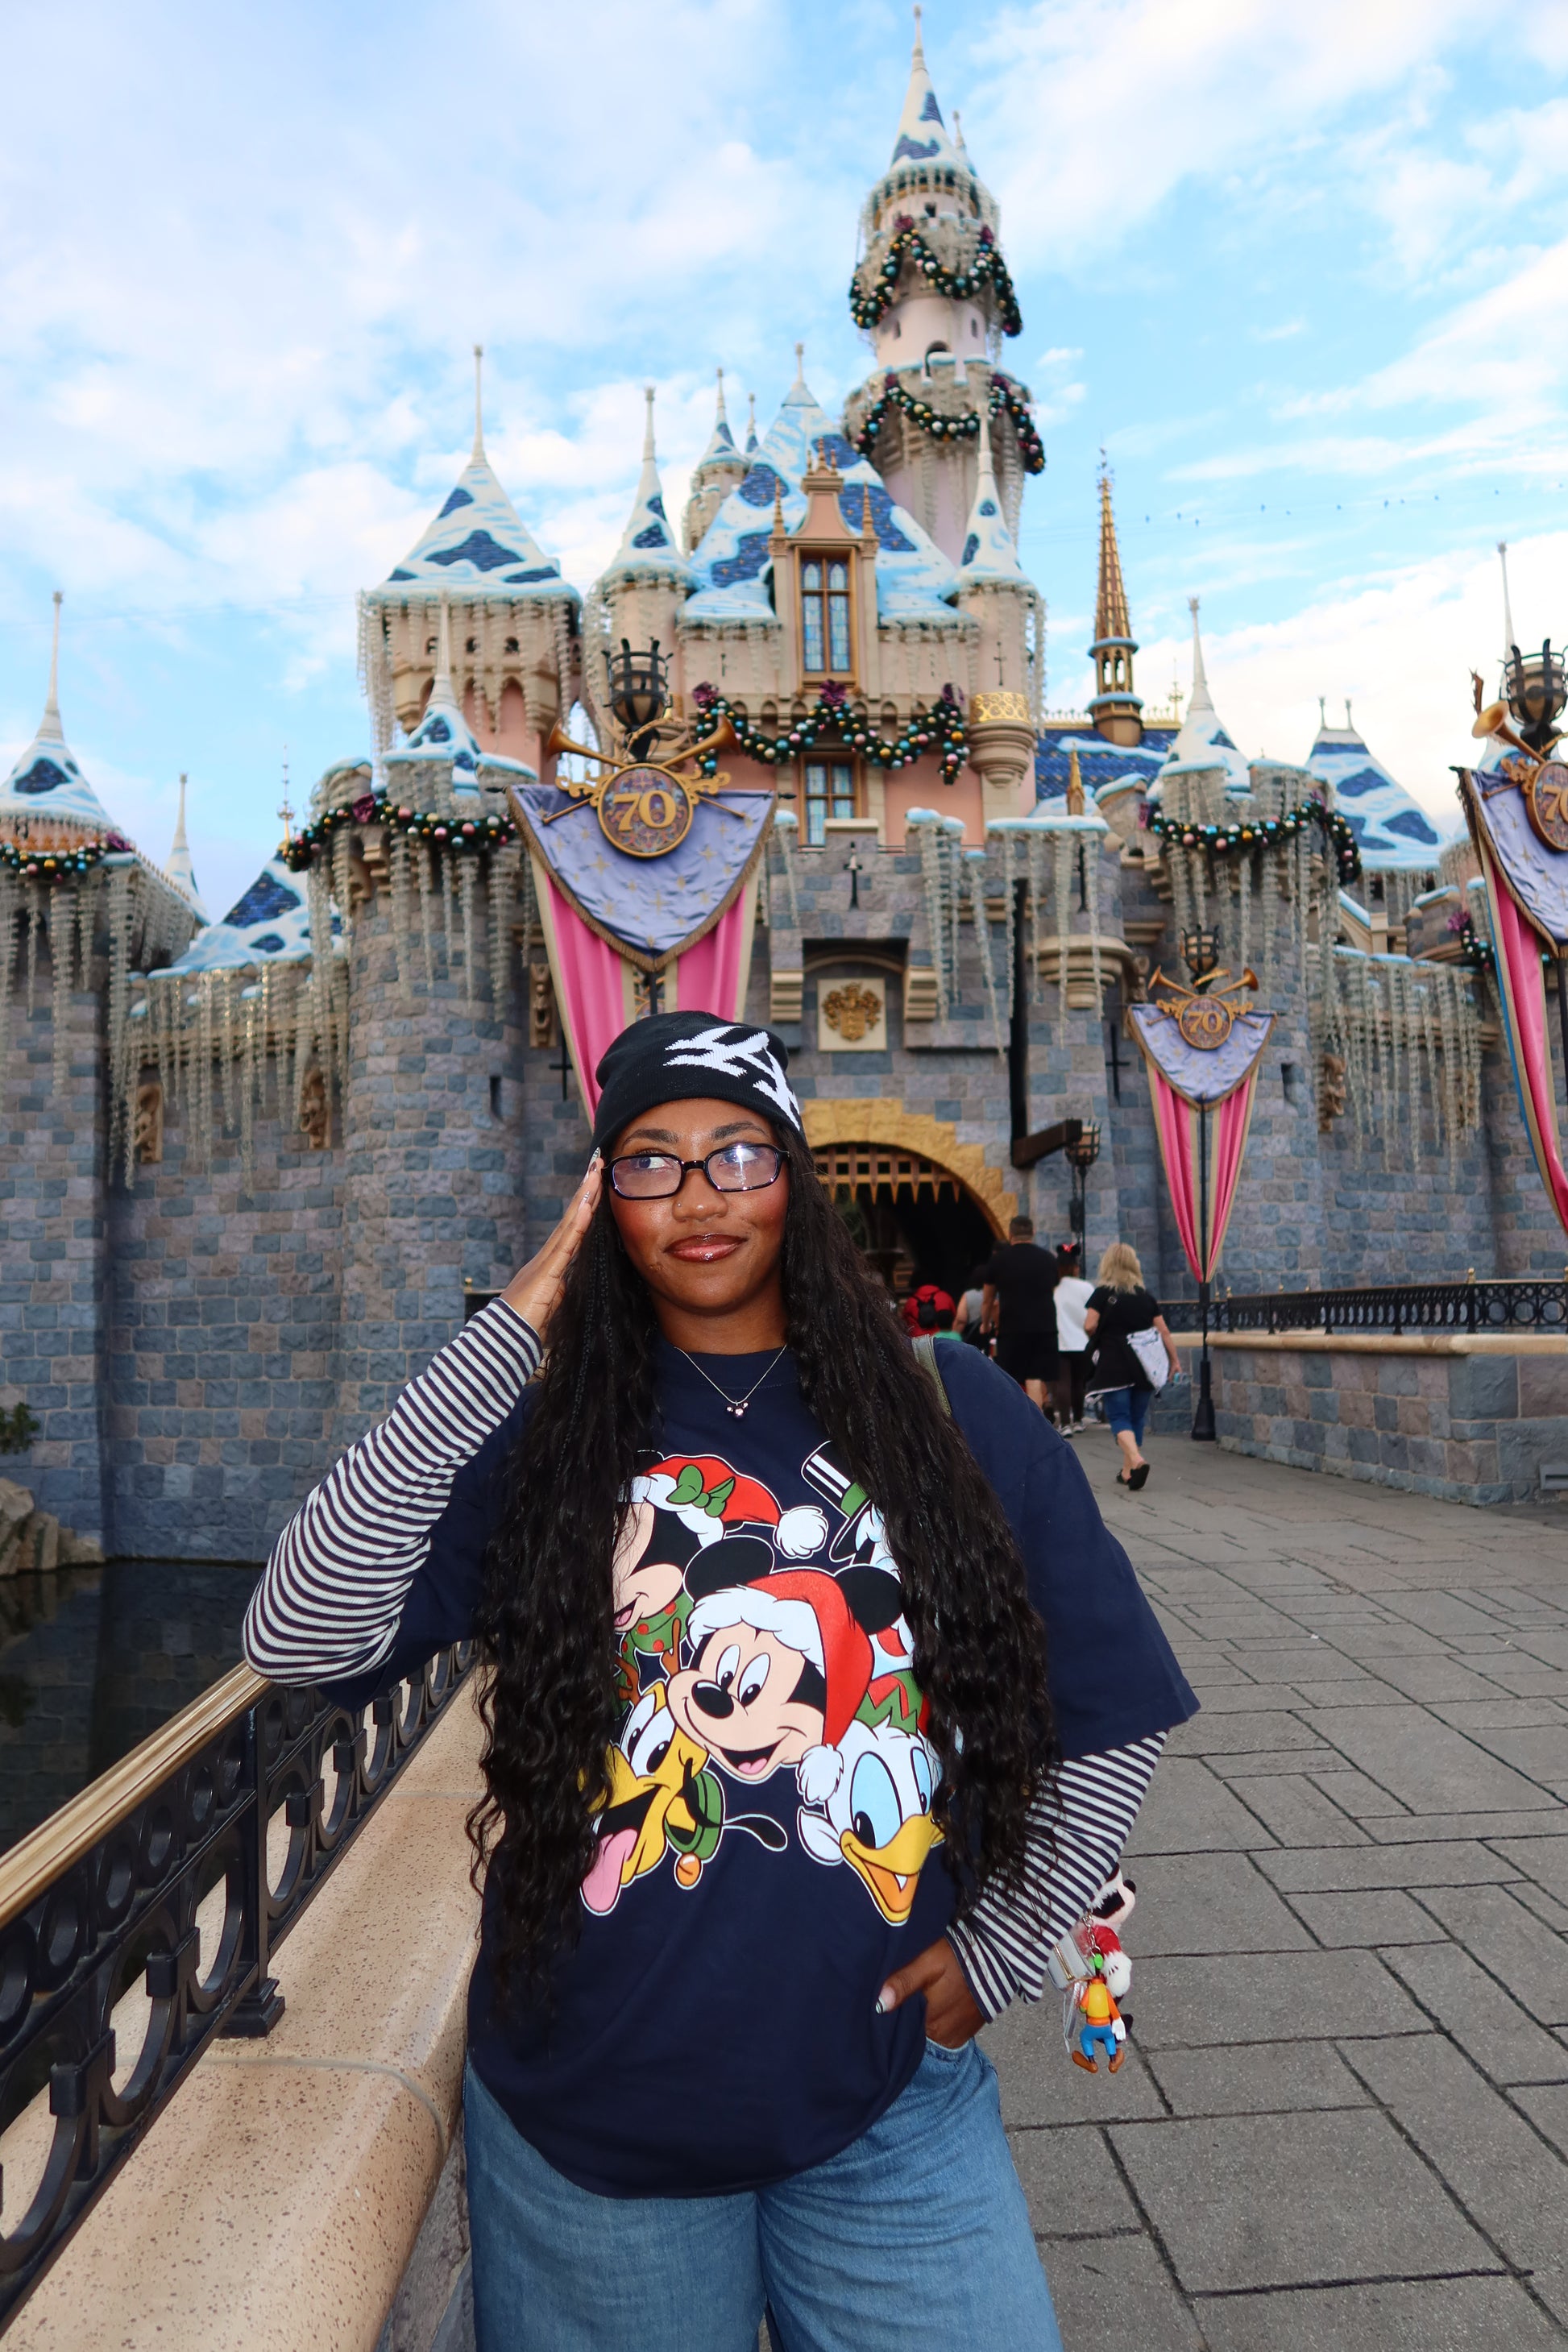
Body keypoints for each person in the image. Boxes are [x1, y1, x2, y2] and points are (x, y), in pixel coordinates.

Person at [244, 1013, 1196, 2352]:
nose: (698, 1195)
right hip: (593, 2127)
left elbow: (1108, 1702)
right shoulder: (547, 1431)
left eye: (737, 1153)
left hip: (884, 2103)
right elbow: (298, 1630)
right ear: (601, 1198)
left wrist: (1007, 1938)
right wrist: (509, 1331)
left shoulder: (945, 1403)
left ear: (792, 1179)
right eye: (650, 1160)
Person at [1082, 1242, 1181, 1491]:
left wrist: (1103, 1333)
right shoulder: (1145, 1297)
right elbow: (1164, 1332)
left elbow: (1090, 1325)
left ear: (1107, 1265)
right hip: (1144, 1366)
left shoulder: (1103, 1294)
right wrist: (1174, 1361)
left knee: (1119, 1417)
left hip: (1114, 1364)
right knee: (1136, 1417)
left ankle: (1136, 1460)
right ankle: (1128, 1473)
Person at [980, 1214, 1060, 1417]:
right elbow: (1052, 1290)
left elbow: (988, 1299)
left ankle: (1016, 1420)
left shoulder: (998, 1261)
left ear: (1010, 1234)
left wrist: (985, 1324)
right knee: (1035, 1377)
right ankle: (1036, 1423)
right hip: (1044, 1326)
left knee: (1011, 1378)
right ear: (1033, 1232)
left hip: (1012, 1327)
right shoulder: (1049, 1259)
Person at [1050, 1243, 1095, 1435]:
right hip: (1082, 1342)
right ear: (1076, 1267)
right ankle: (1078, 1420)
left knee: (1063, 1383)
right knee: (1079, 1383)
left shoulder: (1053, 1288)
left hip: (1060, 1342)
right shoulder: (1086, 1287)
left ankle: (1065, 1423)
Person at [902, 1282, 963, 1346]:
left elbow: (904, 1320)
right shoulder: (944, 1296)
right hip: (942, 1337)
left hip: (918, 1340)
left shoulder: (911, 1301)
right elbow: (954, 1315)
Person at [953, 1266, 989, 1350]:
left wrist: (954, 1337)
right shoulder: (999, 1295)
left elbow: (961, 1320)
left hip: (974, 1342)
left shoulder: (969, 1296)